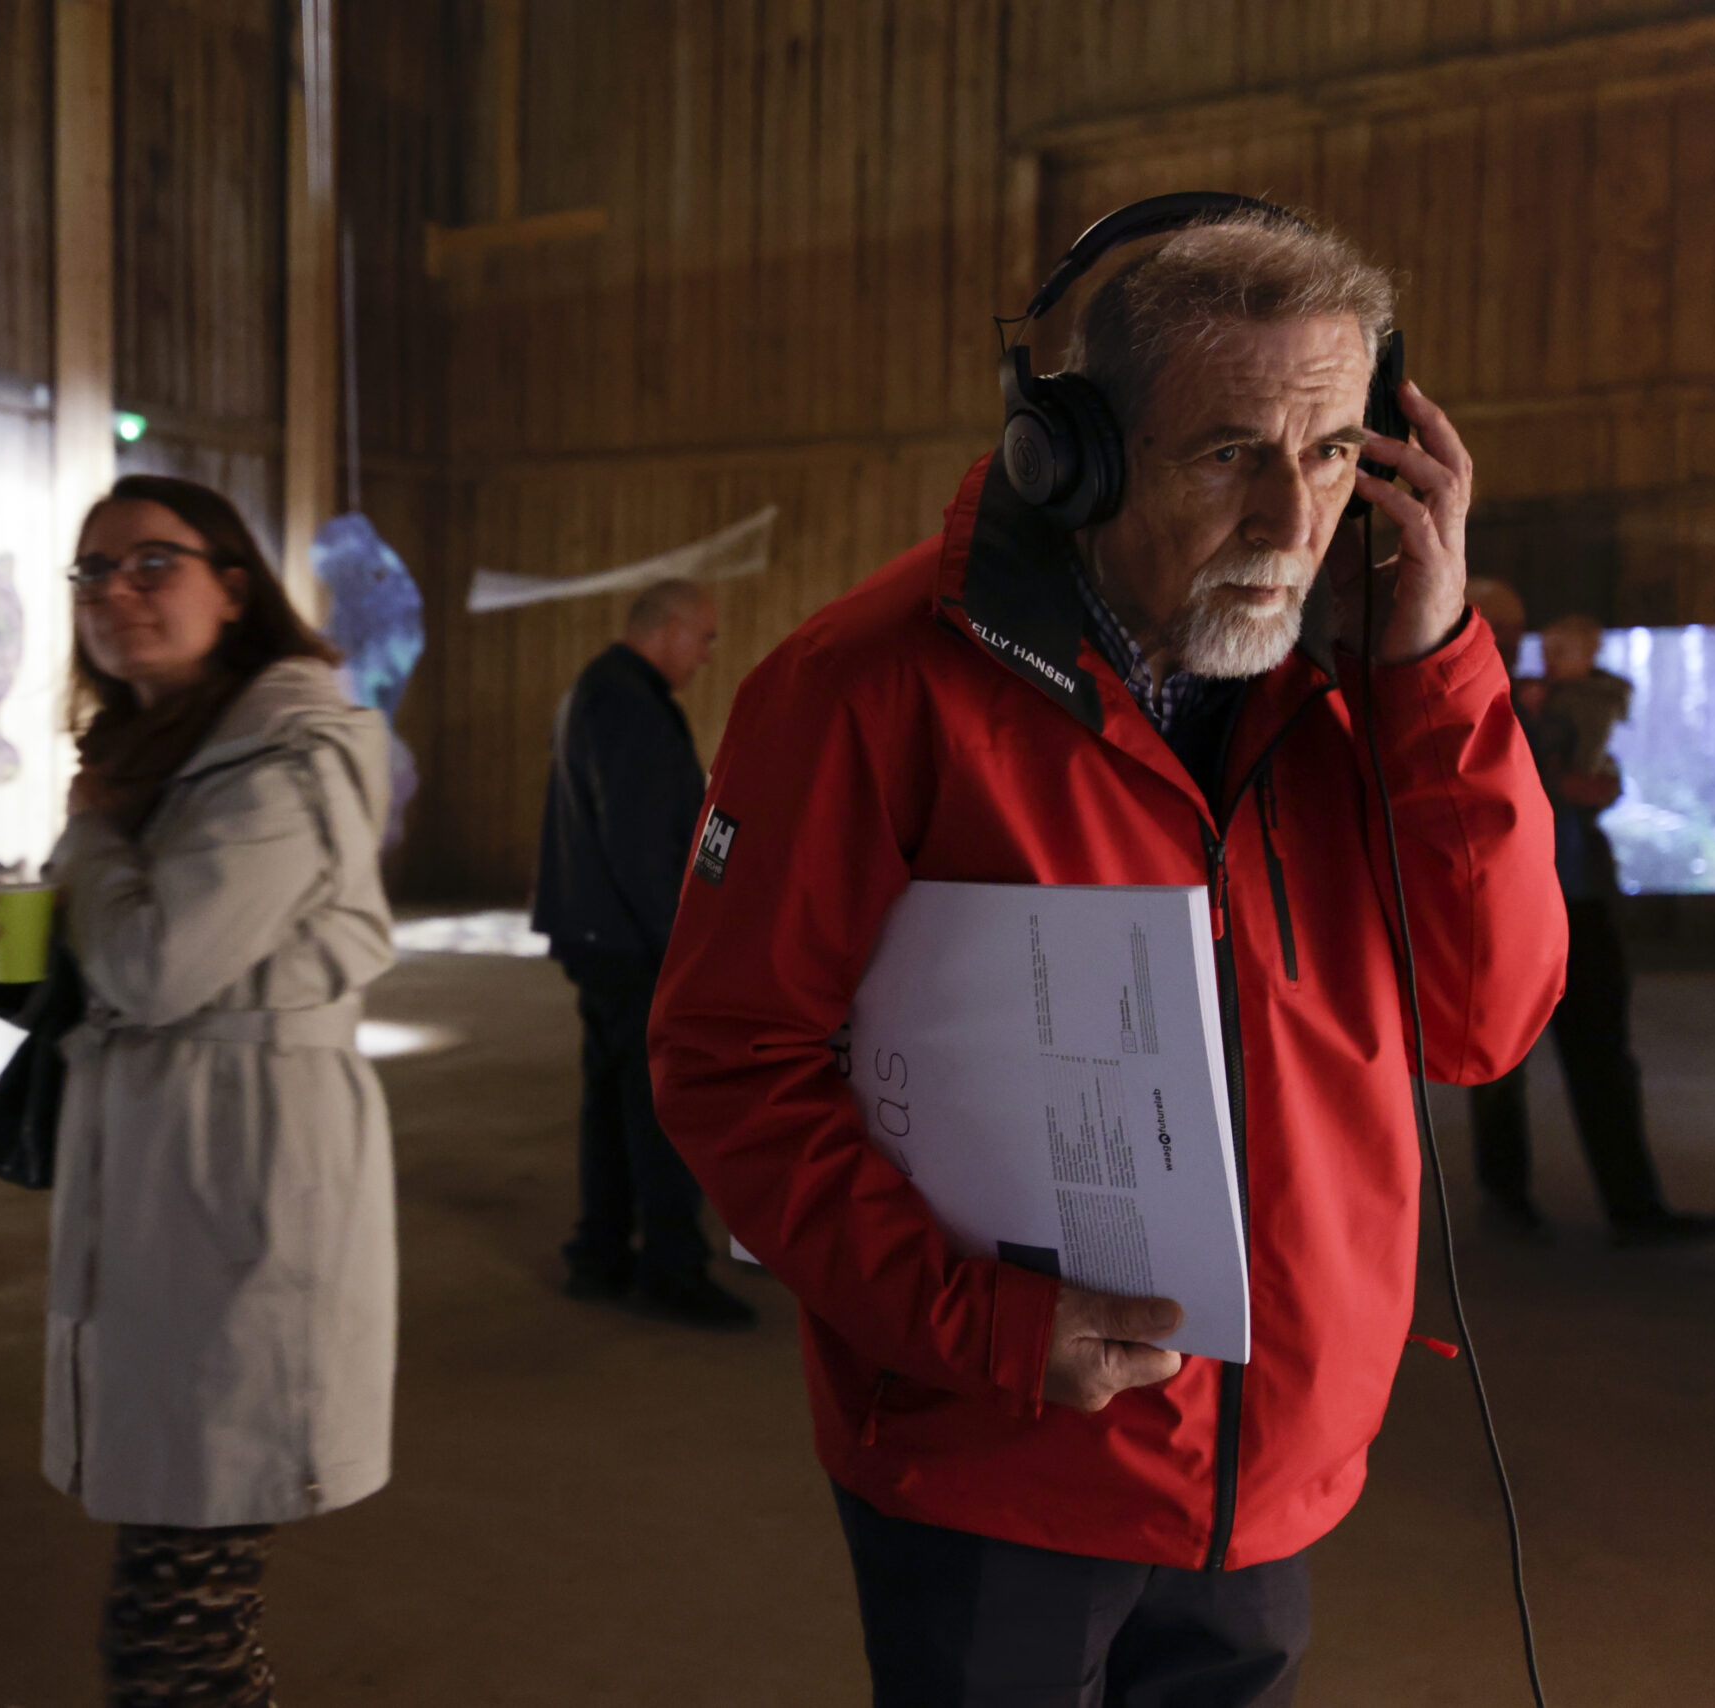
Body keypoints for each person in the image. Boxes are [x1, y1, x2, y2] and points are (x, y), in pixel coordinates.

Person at [649, 209, 1566, 1705]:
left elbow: (1485, 1021)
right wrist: (988, 1328)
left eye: (1334, 450)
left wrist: (1435, 669)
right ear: (1067, 454)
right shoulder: (862, 690)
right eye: (1229, 452)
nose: (1290, 517)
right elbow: (724, 1060)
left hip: (1274, 1464)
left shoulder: (1371, 684)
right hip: (997, 1456)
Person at [0, 474, 395, 1707]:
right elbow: (104, 967)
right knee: (189, 1590)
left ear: (234, 587)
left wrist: (93, 838)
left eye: (154, 562)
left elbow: (157, 965)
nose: (118, 592)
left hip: (242, 1172)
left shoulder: (288, 748)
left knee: (176, 1615)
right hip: (163, 1166)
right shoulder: (153, 754)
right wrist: (30, 925)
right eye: (94, 572)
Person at [1461, 592, 1715, 1248]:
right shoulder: (1472, 699)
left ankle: (1634, 1206)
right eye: (1499, 627)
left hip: (1580, 901)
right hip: (1503, 912)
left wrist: (1597, 784)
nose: (1513, 641)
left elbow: (1591, 764)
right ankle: (1507, 1197)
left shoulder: (1552, 698)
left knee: (1605, 1056)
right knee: (1499, 1060)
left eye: (1517, 629)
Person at [530, 578, 752, 1327]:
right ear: (668, 628)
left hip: (601, 934)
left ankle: (598, 1254)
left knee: (613, 1101)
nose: (708, 655)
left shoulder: (598, 689)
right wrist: (684, 948)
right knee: (661, 1107)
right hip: (634, 940)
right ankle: (671, 1267)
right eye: (705, 637)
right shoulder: (628, 701)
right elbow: (642, 844)